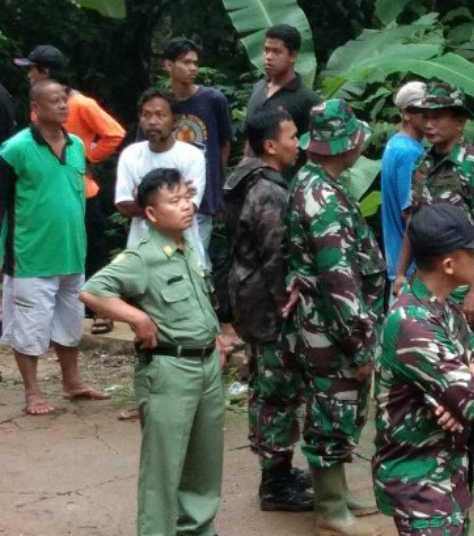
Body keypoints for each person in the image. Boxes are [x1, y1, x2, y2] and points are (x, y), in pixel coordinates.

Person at [80, 168, 224, 536]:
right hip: (169, 369)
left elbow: (198, 304)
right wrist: (137, 318)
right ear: (151, 214)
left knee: (204, 464)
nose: (186, 206)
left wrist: (215, 339)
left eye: (186, 198)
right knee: (163, 468)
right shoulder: (142, 257)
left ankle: (198, 530)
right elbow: (93, 291)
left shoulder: (187, 248)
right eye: (173, 201)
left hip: (205, 365)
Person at [393, 82, 474, 481]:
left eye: (439, 116)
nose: (430, 123)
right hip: (434, 283)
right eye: (425, 116)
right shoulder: (424, 164)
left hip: (469, 282)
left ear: (459, 122)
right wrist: (400, 274)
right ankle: (451, 428)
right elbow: (414, 224)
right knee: (445, 359)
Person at [285, 99, 384, 536]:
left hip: (327, 323)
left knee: (342, 409)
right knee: (332, 408)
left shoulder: (318, 181)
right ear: (344, 146)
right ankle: (329, 506)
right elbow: (338, 279)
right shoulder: (321, 197)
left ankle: (338, 493)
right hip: (330, 329)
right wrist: (360, 343)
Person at [373, 203, 474, 536]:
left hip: (447, 475)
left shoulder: (443, 309)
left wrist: (473, 384)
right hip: (420, 483)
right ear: (448, 264)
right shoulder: (413, 324)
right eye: (471, 252)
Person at [0, 79, 109, 415]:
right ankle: (33, 393)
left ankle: (72, 382)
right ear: (36, 109)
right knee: (29, 328)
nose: (63, 105)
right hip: (29, 255)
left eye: (64, 99)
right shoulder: (14, 149)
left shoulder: (77, 145)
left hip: (72, 253)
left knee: (70, 322)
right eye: (54, 101)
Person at [223, 107, 313, 511]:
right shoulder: (270, 192)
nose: (298, 144)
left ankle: (278, 470)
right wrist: (286, 310)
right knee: (276, 391)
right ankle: (275, 484)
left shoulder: (250, 179)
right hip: (266, 308)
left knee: (268, 388)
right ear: (270, 145)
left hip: (251, 300)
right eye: (292, 136)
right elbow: (276, 257)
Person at [15, 44, 127, 335]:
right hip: (49, 193)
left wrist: (87, 156)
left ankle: (102, 311)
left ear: (45, 71)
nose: (28, 75)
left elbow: (114, 133)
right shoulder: (39, 106)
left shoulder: (80, 104)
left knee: (93, 252)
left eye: (32, 69)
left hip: (82, 190)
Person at [115, 88, 208, 268]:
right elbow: (123, 206)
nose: (152, 122)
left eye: (160, 115)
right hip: (140, 256)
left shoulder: (192, 156)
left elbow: (188, 210)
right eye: (146, 115)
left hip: (184, 256)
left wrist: (141, 199)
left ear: (175, 121)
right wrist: (173, 200)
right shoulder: (131, 155)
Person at [162, 37, 233, 257]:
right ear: (168, 65)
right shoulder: (159, 103)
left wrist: (217, 188)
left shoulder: (213, 99)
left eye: (195, 62)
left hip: (201, 198)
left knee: (196, 260)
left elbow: (224, 145)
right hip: (165, 197)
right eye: (186, 62)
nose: (193, 68)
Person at [379, 81, 426, 300]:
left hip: (398, 264)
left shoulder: (394, 144)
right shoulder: (409, 152)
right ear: (406, 114)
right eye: (421, 111)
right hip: (410, 270)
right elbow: (410, 214)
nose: (428, 117)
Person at [245, 24, 322, 143]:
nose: (268, 57)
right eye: (266, 50)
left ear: (293, 56)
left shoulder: (308, 100)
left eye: (276, 52)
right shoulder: (259, 87)